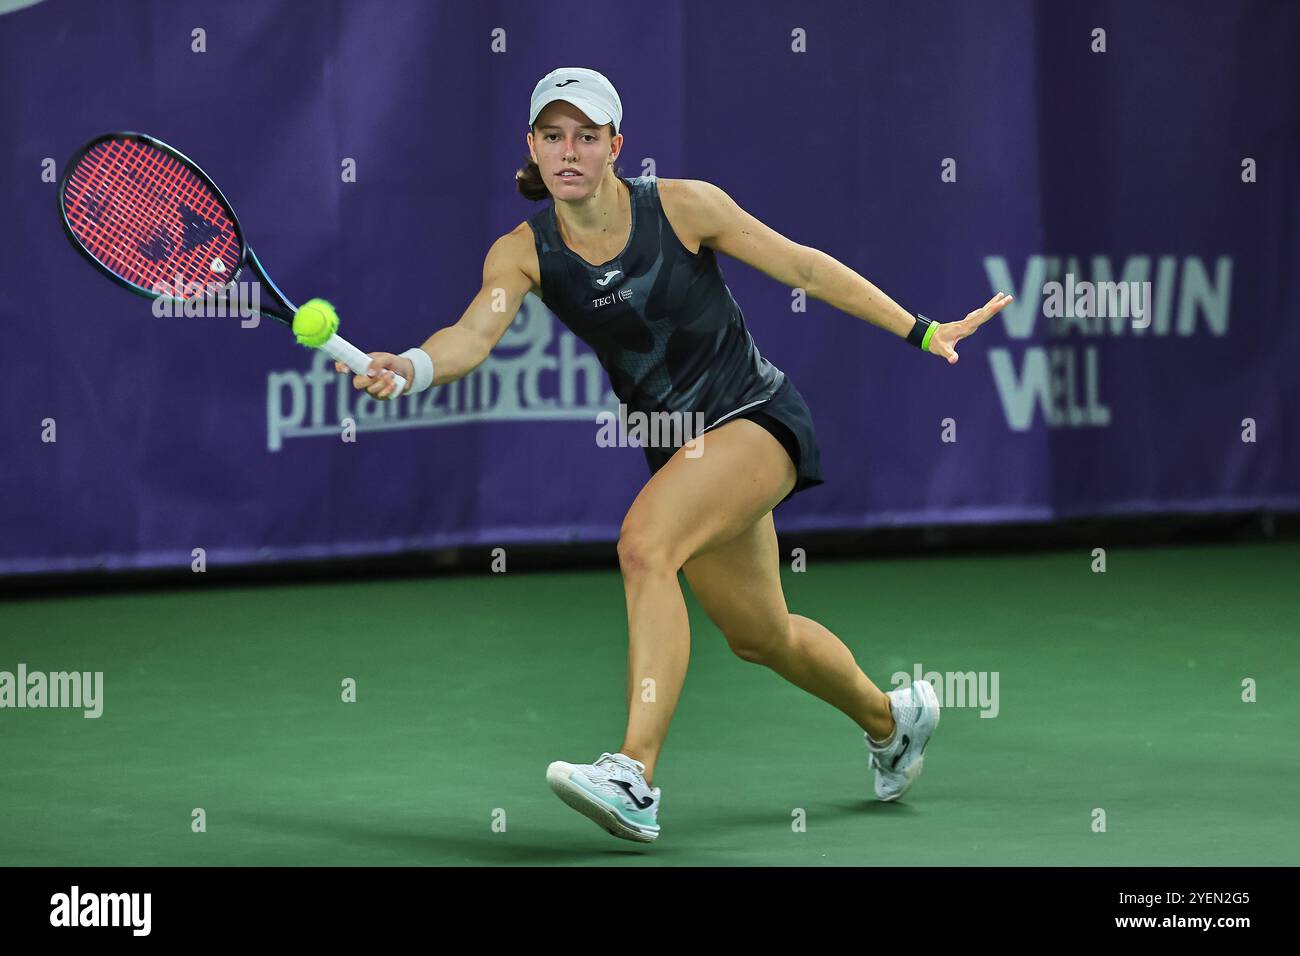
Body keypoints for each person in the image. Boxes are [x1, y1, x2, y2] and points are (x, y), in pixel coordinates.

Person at [338, 67, 1012, 843]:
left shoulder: (686, 207)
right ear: (532, 146)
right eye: (552, 136)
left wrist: (925, 329)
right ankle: (894, 720)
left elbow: (801, 266)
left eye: (586, 137)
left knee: (643, 545)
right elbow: (472, 334)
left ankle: (634, 775)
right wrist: (413, 367)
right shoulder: (523, 254)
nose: (568, 152)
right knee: (762, 634)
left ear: (615, 146)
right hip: (682, 453)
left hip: (757, 419)